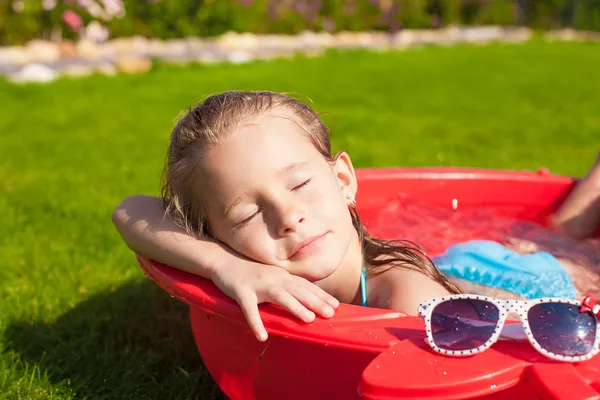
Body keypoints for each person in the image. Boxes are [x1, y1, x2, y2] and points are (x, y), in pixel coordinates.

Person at [112, 90, 460, 342]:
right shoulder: (236, 264)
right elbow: (129, 211)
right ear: (213, 235)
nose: (288, 216)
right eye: (248, 214)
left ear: (342, 180)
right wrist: (223, 265)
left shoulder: (408, 299)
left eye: (300, 185)